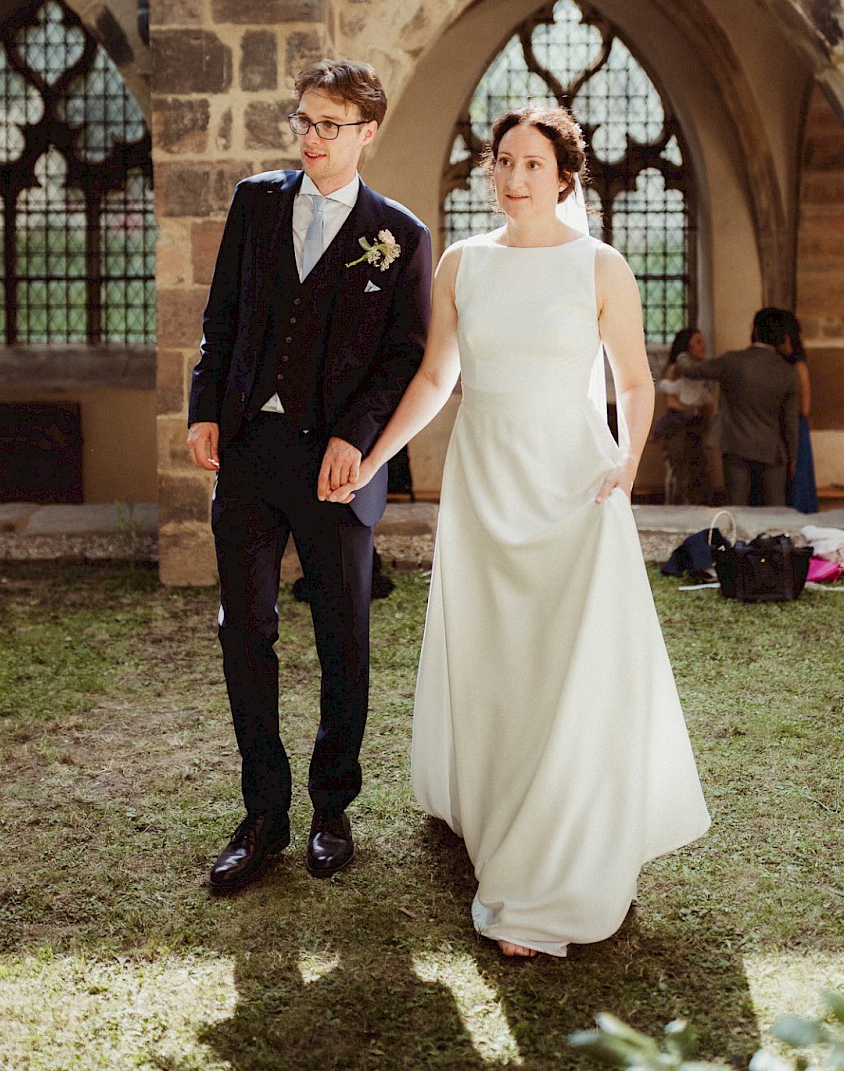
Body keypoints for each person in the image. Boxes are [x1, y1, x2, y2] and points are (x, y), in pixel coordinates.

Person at [326, 105, 710, 959]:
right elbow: (435, 376)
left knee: (566, 661)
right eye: (503, 161)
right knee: (497, 656)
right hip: (485, 482)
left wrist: (626, 464)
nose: (515, 177)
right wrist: (375, 453)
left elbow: (637, 384)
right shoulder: (462, 263)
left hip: (574, 485)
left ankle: (552, 857)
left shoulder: (600, 265)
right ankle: (500, 809)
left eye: (533, 163)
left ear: (565, 175)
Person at [187, 58, 431, 894]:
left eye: (331, 124)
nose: (312, 138)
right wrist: (204, 405)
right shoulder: (256, 202)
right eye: (303, 120)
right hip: (252, 453)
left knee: (342, 635)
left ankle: (333, 804)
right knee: (243, 626)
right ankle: (264, 810)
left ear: (368, 132)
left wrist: (358, 440)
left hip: (338, 468)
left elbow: (405, 356)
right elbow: (221, 316)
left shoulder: (399, 234)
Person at [676, 308, 799, 507]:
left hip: (736, 445)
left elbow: (692, 370)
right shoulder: (788, 372)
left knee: (737, 507)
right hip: (772, 449)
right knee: (774, 510)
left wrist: (681, 353)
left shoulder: (732, 361)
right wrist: (792, 456)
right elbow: (790, 421)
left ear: (756, 331)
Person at [654, 327, 716, 504]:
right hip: (678, 430)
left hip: (697, 428)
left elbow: (708, 402)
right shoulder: (675, 369)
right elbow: (671, 402)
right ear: (687, 346)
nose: (702, 345)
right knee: (678, 474)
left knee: (699, 472)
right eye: (697, 341)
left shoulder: (701, 370)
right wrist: (692, 409)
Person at [779, 310, 819, 514]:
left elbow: (804, 407)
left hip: (795, 426)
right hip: (781, 426)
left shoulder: (798, 364)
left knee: (796, 481)